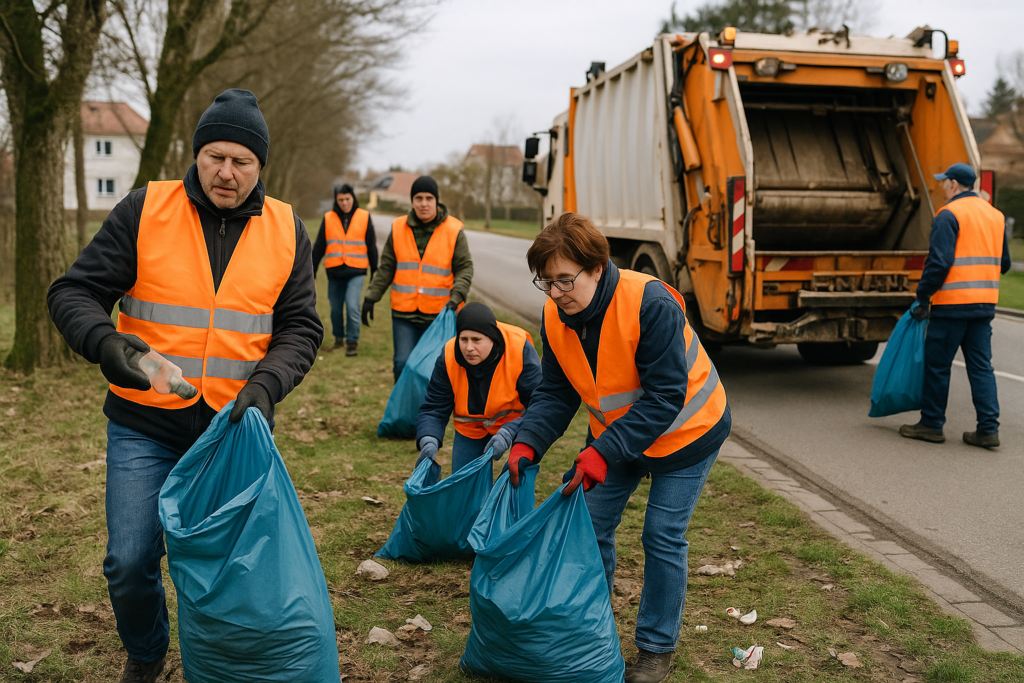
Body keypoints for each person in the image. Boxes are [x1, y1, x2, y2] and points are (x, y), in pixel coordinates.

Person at [47, 89, 323, 683]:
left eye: (241, 160)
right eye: (214, 156)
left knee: (235, 569)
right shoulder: (145, 209)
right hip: (143, 426)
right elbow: (72, 292)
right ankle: (146, 652)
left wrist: (267, 385)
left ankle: (226, 662)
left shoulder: (286, 229)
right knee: (130, 560)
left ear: (260, 166)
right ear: (196, 155)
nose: (226, 171)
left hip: (234, 432)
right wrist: (105, 343)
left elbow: (302, 326)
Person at [503, 213, 731, 683]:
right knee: (589, 524)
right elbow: (556, 391)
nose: (555, 293)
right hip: (619, 434)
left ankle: (655, 649)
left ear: (599, 269)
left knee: (662, 535)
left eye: (565, 280)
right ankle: (594, 628)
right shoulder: (555, 314)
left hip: (688, 432)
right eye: (545, 283)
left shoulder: (649, 303)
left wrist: (604, 452)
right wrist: (528, 442)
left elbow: (667, 395)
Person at [900, 163, 1011, 448]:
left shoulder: (948, 214)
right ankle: (988, 430)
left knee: (938, 366)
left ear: (952, 184)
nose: (942, 187)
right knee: (981, 367)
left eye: (943, 182)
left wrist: (922, 297)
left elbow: (938, 263)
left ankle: (932, 425)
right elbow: (1006, 264)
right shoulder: (995, 216)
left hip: (951, 305)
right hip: (984, 305)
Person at [361, 176, 473, 381]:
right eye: (418, 198)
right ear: (412, 201)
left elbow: (464, 268)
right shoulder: (397, 227)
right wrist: (371, 297)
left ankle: (429, 412)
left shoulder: (454, 230)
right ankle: (404, 410)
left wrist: (457, 296)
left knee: (434, 370)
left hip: (439, 313)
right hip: (404, 314)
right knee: (402, 364)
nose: (424, 203)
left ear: (436, 200)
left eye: (429, 198)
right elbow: (387, 267)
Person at [415, 303, 541, 478]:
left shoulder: (519, 349)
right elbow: (434, 407)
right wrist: (428, 438)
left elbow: (538, 403)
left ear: (492, 338)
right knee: (464, 486)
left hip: (516, 424)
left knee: (516, 480)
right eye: (464, 339)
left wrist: (509, 432)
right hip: (470, 428)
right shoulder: (449, 355)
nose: (468, 348)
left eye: (476, 340)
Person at [311, 183, 378, 355]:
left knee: (352, 306)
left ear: (353, 198)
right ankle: (339, 338)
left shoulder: (364, 216)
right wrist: (311, 270)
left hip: (356, 272)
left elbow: (371, 246)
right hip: (334, 272)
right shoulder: (328, 217)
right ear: (336, 200)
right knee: (335, 309)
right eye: (341, 200)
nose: (344, 203)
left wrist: (374, 272)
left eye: (347, 199)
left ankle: (352, 343)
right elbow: (319, 246)